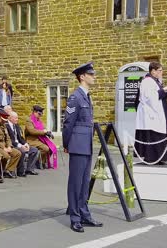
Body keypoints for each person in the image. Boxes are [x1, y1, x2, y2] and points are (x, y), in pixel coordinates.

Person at [63, 62, 103, 233]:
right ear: (82, 77)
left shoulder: (86, 96)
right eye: (91, 74)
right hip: (78, 145)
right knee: (75, 183)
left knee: (85, 183)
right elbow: (68, 123)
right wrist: (66, 143)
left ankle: (84, 214)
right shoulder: (75, 97)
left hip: (86, 145)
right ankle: (75, 218)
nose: (94, 77)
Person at [134, 61, 167, 164]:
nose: (161, 72)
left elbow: (158, 95)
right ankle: (152, 158)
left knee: (159, 135)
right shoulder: (147, 81)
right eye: (159, 70)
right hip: (151, 116)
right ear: (153, 71)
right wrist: (163, 90)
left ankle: (159, 158)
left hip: (157, 114)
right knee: (154, 136)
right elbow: (150, 97)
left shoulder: (156, 81)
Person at [0, 110, 21, 178]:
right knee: (6, 156)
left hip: (5, 146)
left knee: (17, 153)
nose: (4, 121)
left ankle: (8, 170)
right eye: (2, 119)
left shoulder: (3, 125)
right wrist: (4, 148)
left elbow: (8, 138)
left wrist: (9, 146)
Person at [6, 111, 39, 176]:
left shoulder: (16, 125)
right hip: (12, 145)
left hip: (19, 144)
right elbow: (10, 140)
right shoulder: (6, 126)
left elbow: (20, 137)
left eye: (17, 118)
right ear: (10, 118)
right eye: (15, 118)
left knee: (34, 150)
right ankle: (20, 171)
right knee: (22, 152)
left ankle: (29, 169)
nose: (17, 119)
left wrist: (25, 144)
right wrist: (20, 146)